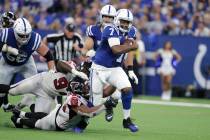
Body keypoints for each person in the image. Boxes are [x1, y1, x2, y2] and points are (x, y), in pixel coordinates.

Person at [90, 7, 139, 132]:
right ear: (117, 20)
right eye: (123, 21)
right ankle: (82, 121)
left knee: (127, 89)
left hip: (115, 68)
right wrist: (131, 47)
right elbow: (116, 49)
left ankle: (126, 120)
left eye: (127, 22)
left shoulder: (132, 31)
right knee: (94, 103)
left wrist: (130, 69)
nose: (125, 24)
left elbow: (128, 51)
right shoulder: (109, 29)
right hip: (99, 68)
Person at [0, 17, 55, 112]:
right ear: (14, 31)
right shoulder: (6, 34)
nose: (24, 38)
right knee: (1, 93)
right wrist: (10, 49)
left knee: (36, 89)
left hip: (26, 64)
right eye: (21, 35)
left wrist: (51, 72)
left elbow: (49, 56)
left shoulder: (34, 39)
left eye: (27, 35)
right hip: (7, 64)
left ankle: (26, 106)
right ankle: (7, 105)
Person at [10, 85, 118, 132]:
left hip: (59, 113)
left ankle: (21, 113)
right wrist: (106, 105)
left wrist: (115, 84)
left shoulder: (79, 96)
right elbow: (89, 113)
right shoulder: (75, 99)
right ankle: (18, 120)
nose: (88, 88)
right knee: (38, 123)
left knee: (44, 115)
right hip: (56, 123)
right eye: (86, 87)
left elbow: (103, 93)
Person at [0, 60, 88, 113]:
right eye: (85, 69)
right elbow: (58, 63)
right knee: (12, 91)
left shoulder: (84, 85)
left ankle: (28, 102)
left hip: (48, 95)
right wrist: (75, 72)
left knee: (41, 115)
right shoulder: (72, 68)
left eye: (87, 71)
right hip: (40, 81)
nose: (85, 72)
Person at [0, 11, 17, 111]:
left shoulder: (11, 31)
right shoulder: (3, 31)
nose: (11, 25)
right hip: (4, 57)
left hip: (7, 58)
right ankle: (5, 104)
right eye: (9, 23)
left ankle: (5, 104)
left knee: (6, 83)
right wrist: (11, 49)